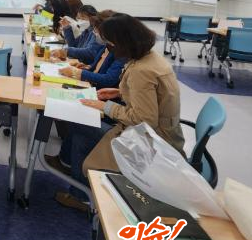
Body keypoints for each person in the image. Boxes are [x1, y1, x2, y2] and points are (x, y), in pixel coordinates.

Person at [51, 14, 184, 212]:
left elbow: (144, 120)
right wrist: (119, 92)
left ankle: (82, 193)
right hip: (163, 132)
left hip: (151, 141)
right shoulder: (151, 58)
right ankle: (80, 187)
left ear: (122, 43)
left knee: (80, 122)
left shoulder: (141, 71)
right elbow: (152, 97)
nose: (108, 47)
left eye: (110, 43)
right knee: (81, 134)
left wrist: (105, 106)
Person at [56, 11, 125, 89]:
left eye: (82, 18)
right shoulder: (106, 45)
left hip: (98, 90)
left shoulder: (122, 52)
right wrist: (86, 67)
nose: (95, 32)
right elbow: (96, 68)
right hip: (90, 84)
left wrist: (79, 72)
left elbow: (109, 79)